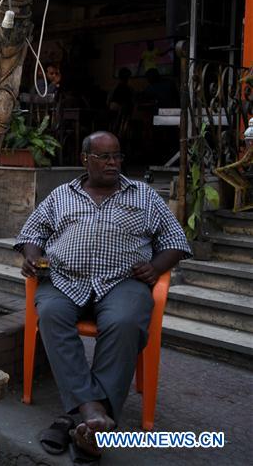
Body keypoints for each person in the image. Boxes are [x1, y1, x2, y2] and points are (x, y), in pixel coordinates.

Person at [14, 131, 189, 460]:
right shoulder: (61, 195)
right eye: (104, 157)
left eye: (117, 156)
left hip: (123, 281)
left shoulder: (145, 196)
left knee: (124, 322)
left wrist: (156, 267)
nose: (113, 163)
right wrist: (33, 257)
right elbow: (32, 232)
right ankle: (94, 412)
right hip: (64, 278)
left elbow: (176, 240)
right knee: (50, 314)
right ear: (85, 159)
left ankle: (78, 417)